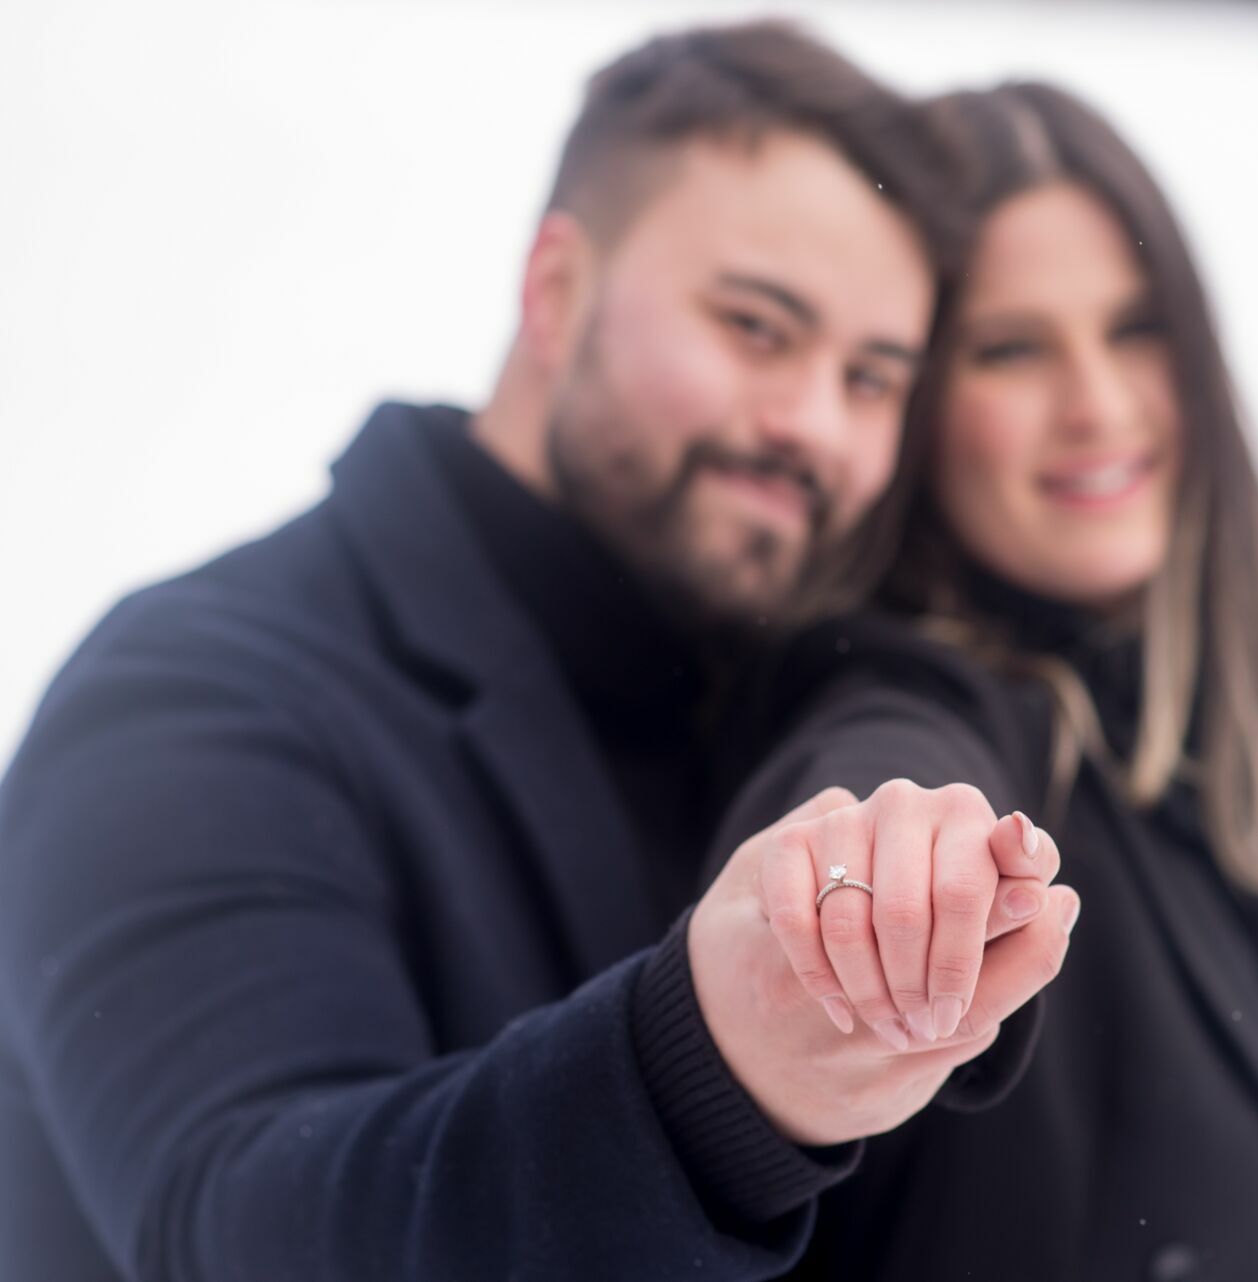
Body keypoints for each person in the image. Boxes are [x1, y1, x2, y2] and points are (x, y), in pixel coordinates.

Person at [0, 25, 1076, 1282]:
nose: (814, 426)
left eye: (872, 378)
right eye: (756, 326)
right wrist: (704, 1070)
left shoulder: (765, 706)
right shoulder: (198, 692)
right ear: (557, 290)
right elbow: (249, 1222)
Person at [711, 83, 1258, 1280]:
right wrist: (877, 867)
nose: (1099, 405)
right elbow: (875, 786)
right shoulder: (908, 714)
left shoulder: (1215, 766)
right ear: (911, 403)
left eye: (1135, 328)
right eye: (1011, 349)